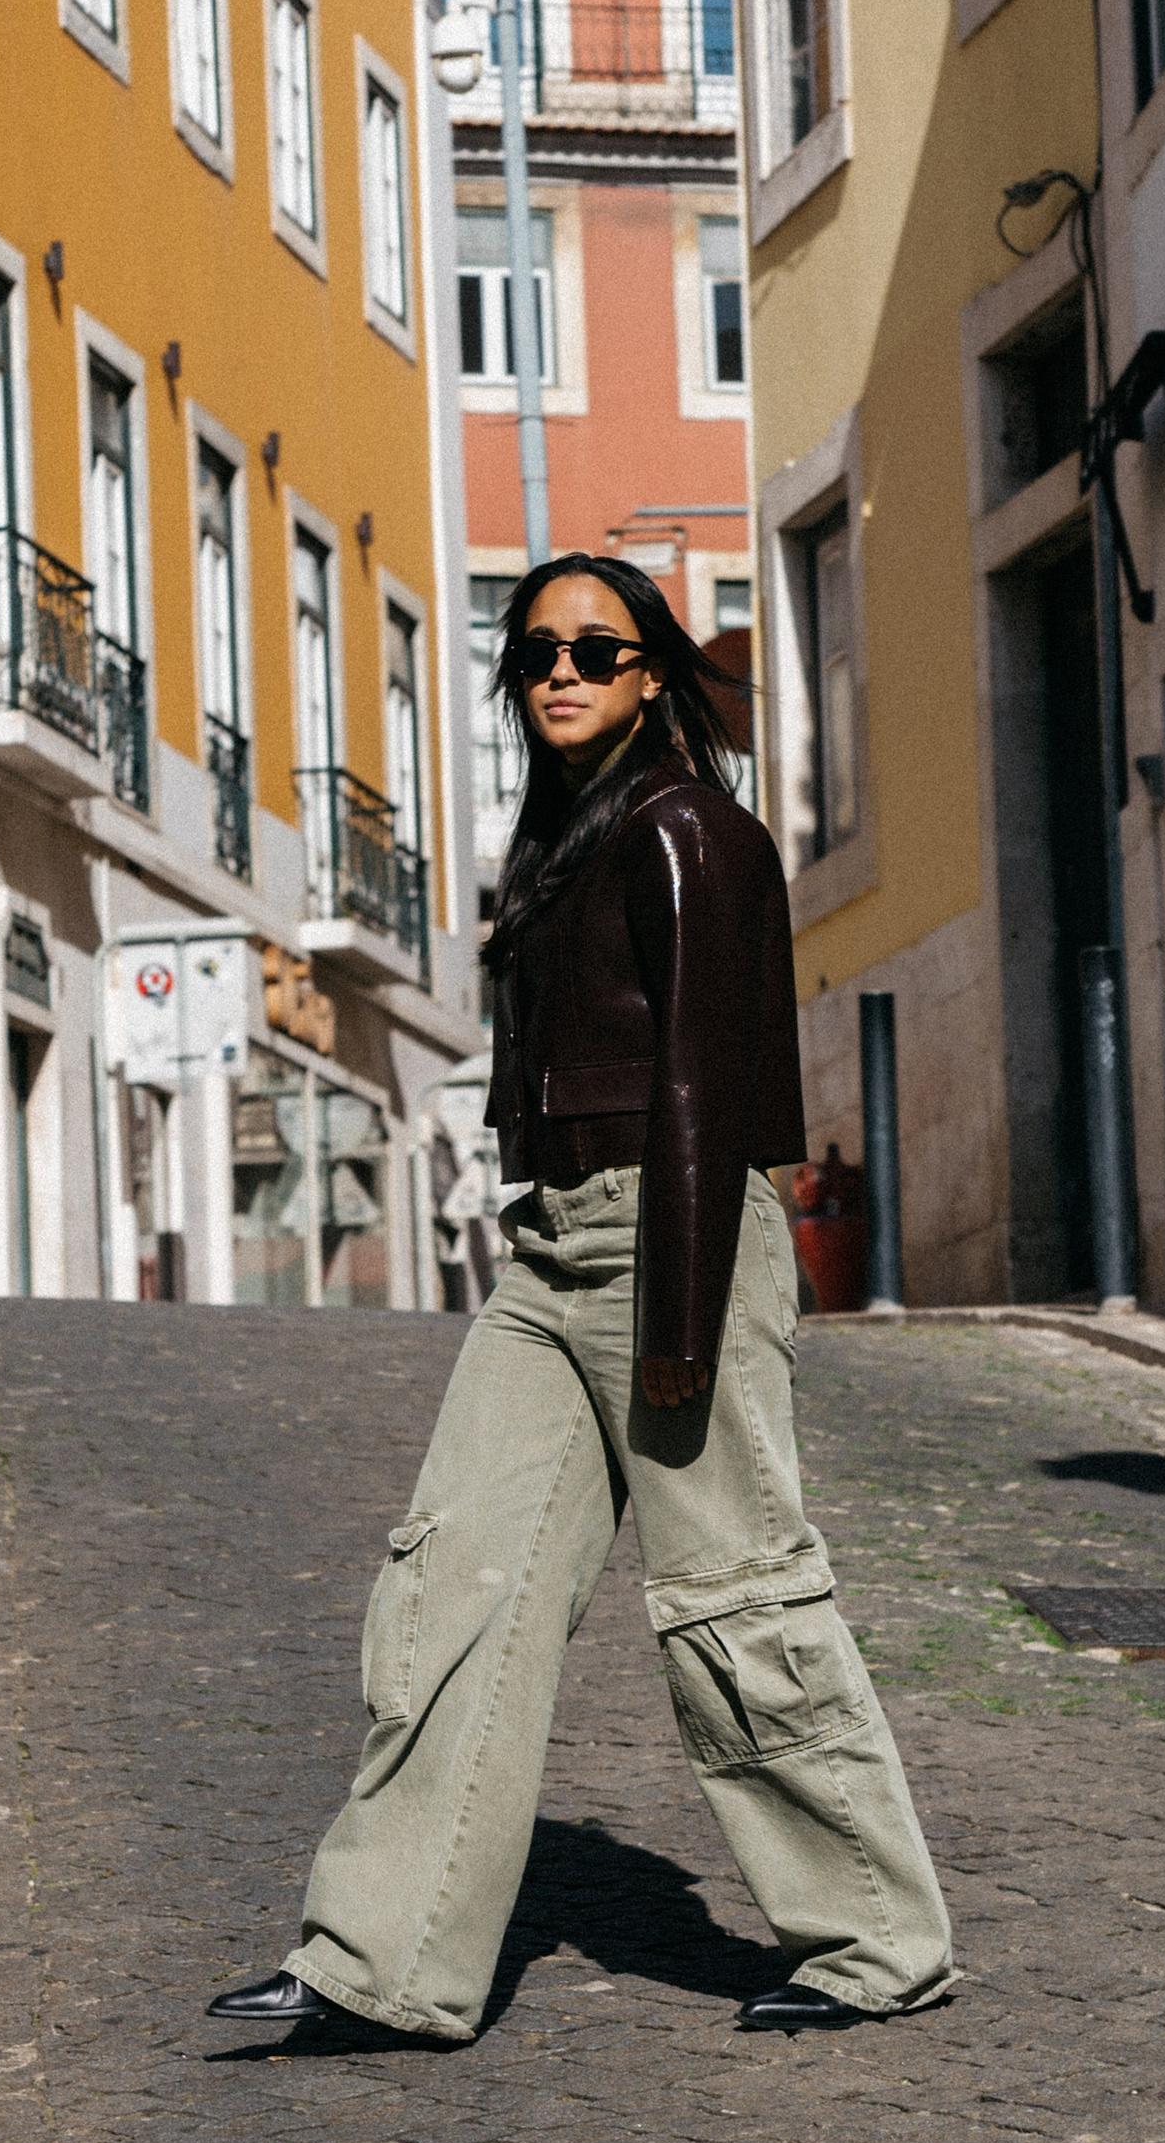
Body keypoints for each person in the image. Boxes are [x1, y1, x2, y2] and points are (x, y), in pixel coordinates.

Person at [209, 552, 951, 2046]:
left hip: (671, 1236)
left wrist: (677, 1318)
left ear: (653, 671)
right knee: (451, 1581)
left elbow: (699, 1085)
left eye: (596, 650)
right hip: (551, 1250)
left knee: (734, 1591)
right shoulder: (564, 845)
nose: (560, 671)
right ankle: (381, 1959)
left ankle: (874, 1937)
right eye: (536, 650)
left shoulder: (692, 836)